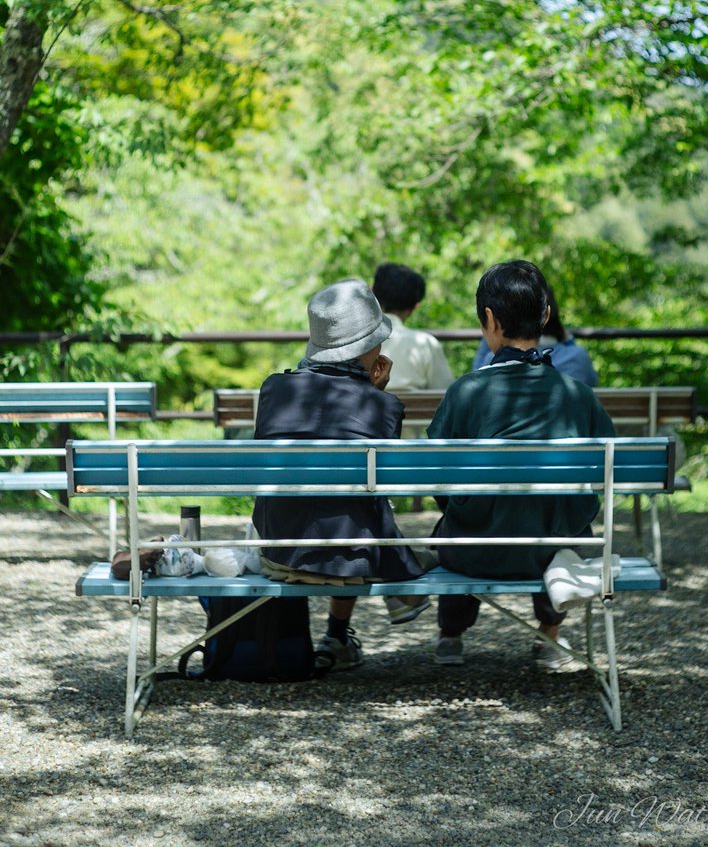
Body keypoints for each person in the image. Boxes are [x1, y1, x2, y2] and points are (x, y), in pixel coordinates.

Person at [429, 260, 614, 668]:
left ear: (489, 320)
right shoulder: (577, 395)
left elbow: (438, 478)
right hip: (550, 549)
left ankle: (450, 635)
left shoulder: (464, 393)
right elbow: (602, 478)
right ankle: (549, 635)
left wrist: (466, 511)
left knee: (450, 527)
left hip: (476, 550)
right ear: (545, 315)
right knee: (556, 524)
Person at [252, 278, 430, 675]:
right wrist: (378, 395)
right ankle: (344, 628)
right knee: (359, 510)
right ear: (370, 347)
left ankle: (326, 636)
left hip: (278, 550)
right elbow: (382, 486)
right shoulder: (382, 405)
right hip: (352, 558)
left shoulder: (274, 389)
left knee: (339, 506)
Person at [472, 283, 597, 386]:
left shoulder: (493, 362)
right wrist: (569, 340)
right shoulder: (578, 358)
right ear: (547, 314)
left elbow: (475, 377)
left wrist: (492, 325)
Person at [372, 263, 454, 391]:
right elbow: (446, 393)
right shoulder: (426, 344)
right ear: (414, 307)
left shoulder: (355, 340)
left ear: (373, 294)